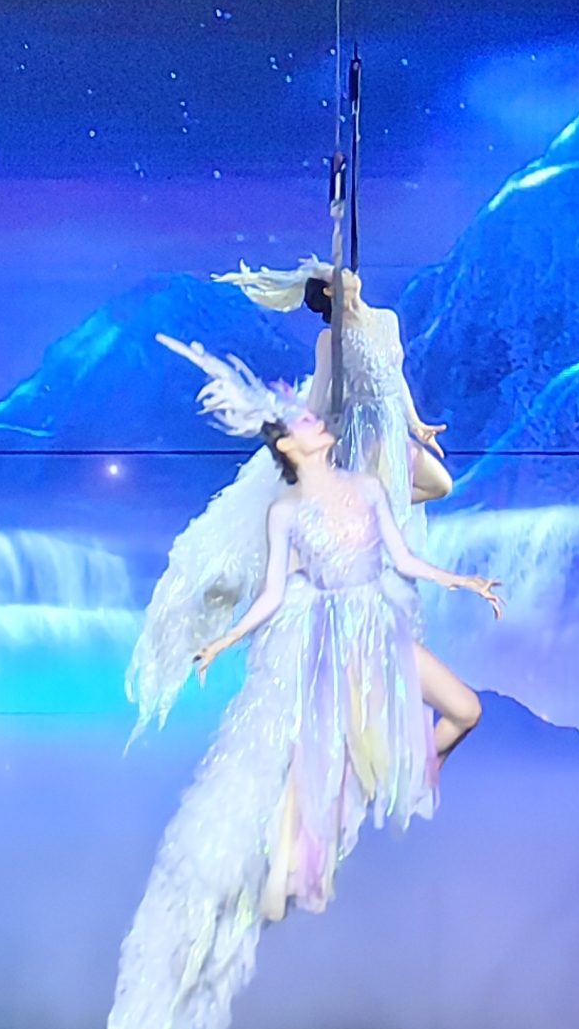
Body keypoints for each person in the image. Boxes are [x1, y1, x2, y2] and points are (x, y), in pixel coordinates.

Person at [89, 343, 502, 1029]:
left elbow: (404, 559)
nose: (317, 422)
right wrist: (224, 641)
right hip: (331, 647)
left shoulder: (367, 489)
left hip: (380, 629)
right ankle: (295, 853)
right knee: (302, 823)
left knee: (463, 710)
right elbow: (275, 595)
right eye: (306, 422)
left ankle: (387, 778)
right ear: (287, 446)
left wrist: (462, 581)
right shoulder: (286, 513)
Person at [126, 256, 449, 722]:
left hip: (391, 429)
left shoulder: (386, 320)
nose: (346, 273)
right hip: (361, 433)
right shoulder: (331, 340)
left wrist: (417, 425)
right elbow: (319, 398)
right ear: (332, 293)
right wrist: (299, 434)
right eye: (335, 276)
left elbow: (394, 376)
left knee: (438, 484)